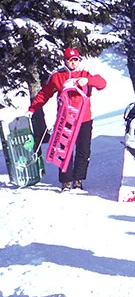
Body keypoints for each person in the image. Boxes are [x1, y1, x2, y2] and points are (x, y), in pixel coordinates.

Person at [27, 47, 107, 192]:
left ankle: (78, 180)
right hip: (65, 120)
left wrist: (88, 81)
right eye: (70, 60)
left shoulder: (85, 73)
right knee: (64, 151)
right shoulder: (57, 76)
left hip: (84, 119)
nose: (73, 63)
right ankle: (66, 181)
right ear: (64, 61)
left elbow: (102, 83)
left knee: (83, 150)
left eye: (75, 60)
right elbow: (44, 94)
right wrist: (32, 109)